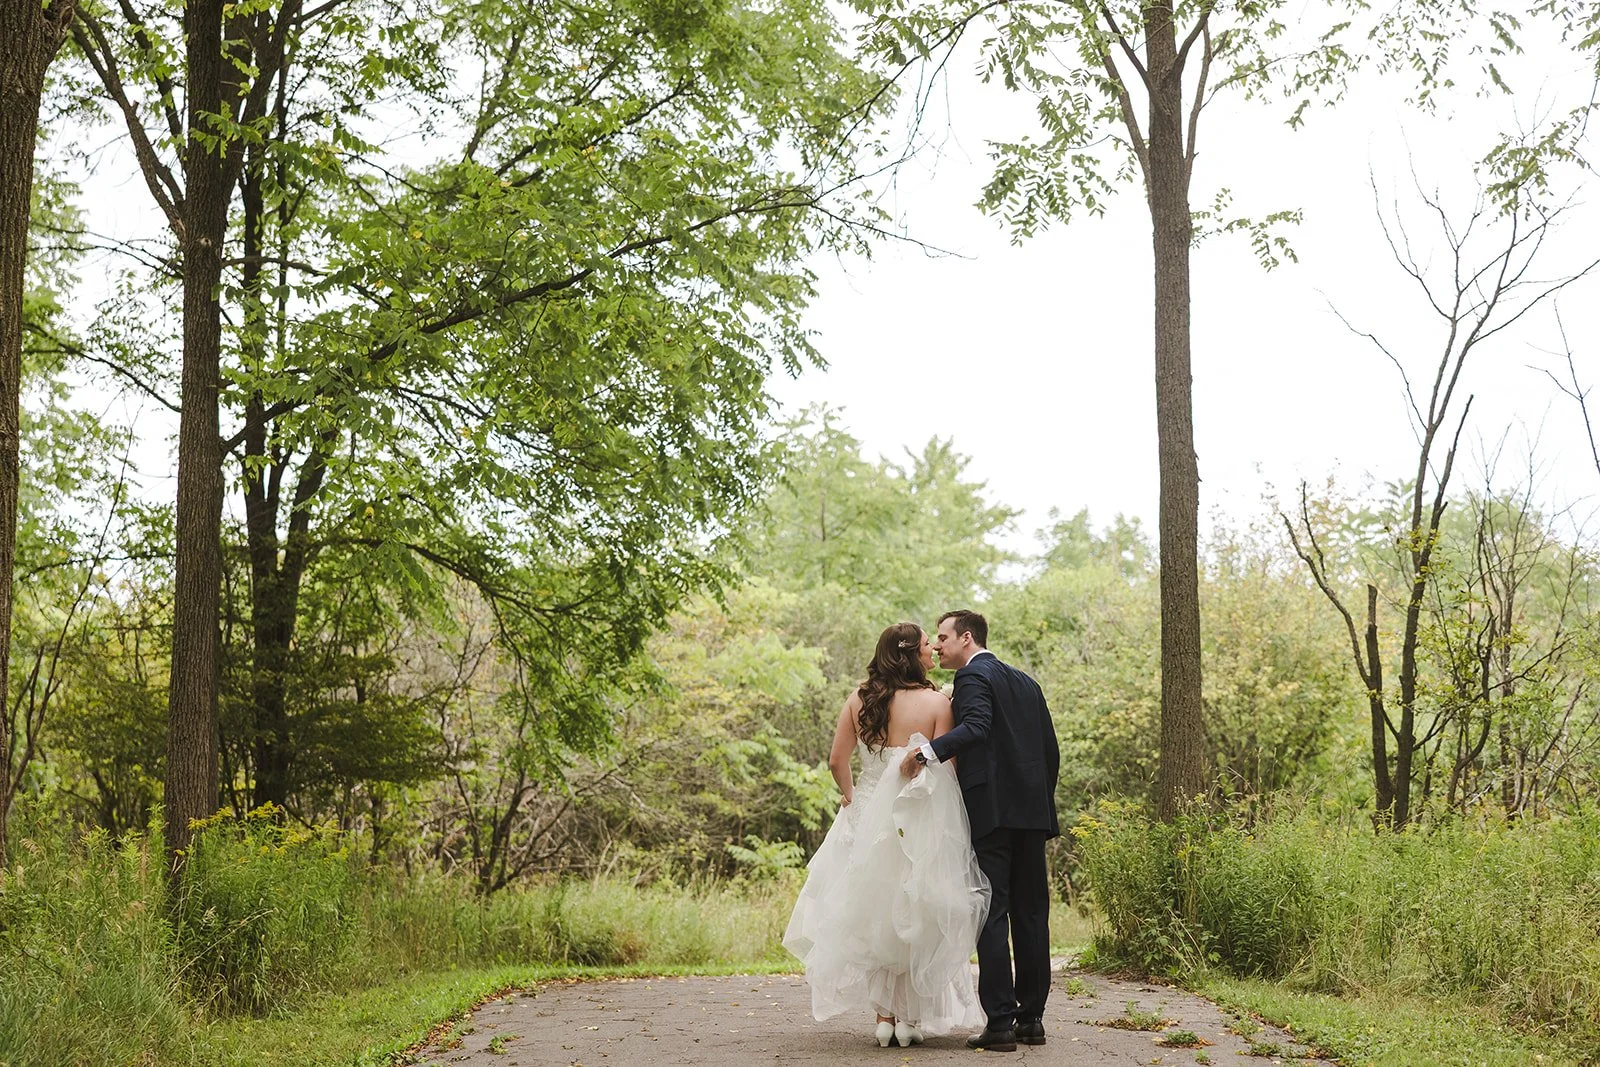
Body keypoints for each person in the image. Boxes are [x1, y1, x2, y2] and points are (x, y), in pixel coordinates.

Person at [783, 622, 990, 1047]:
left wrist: (850, 797)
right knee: (919, 909)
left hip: (870, 815)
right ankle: (911, 1018)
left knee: (873, 911)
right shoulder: (936, 702)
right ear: (911, 655)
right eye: (926, 648)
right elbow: (949, 767)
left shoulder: (860, 700)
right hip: (922, 818)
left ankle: (884, 1018)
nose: (933, 651)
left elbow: (837, 759)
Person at [899, 610, 1060, 1052]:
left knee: (992, 912)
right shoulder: (1027, 682)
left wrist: (925, 754)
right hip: (1031, 814)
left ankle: (1001, 1025)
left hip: (992, 812)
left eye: (943, 637)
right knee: (1031, 915)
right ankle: (1033, 1021)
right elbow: (1050, 750)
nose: (937, 645)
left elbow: (977, 727)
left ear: (966, 639)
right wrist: (1040, 801)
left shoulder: (972, 678)